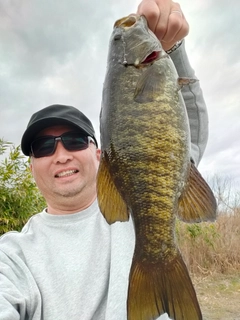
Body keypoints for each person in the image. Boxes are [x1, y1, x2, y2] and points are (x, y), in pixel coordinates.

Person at [0, 1, 208, 319]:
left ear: (100, 155)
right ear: (31, 167)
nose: (61, 154)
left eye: (73, 140)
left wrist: (172, 46)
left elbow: (183, 132)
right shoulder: (12, 255)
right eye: (43, 146)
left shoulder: (132, 212)